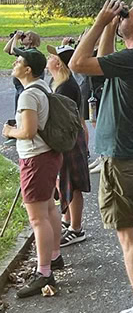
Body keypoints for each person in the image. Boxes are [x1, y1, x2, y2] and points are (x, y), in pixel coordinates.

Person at [69, 0, 133, 313]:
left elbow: (78, 63)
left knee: (130, 237)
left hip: (123, 159)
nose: (122, 18)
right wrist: (112, 27)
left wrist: (100, 21)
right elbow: (105, 58)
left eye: (128, 17)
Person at [3, 48, 64, 298]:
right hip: (49, 155)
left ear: (27, 69)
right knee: (49, 209)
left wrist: (9, 131)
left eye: (18, 61)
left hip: (35, 159)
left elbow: (28, 131)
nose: (14, 63)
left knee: (38, 218)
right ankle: (54, 257)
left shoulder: (28, 96)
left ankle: (44, 273)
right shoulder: (43, 87)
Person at [45, 45, 91, 247]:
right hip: (69, 138)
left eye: (51, 57)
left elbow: (62, 119)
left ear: (58, 63)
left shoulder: (65, 87)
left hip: (69, 140)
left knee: (72, 184)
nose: (48, 60)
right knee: (64, 182)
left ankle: (76, 228)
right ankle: (67, 220)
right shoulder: (59, 83)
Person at [3, 30, 41, 146]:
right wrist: (15, 37)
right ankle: (17, 133)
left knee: (23, 111)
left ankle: (19, 134)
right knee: (18, 112)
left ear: (30, 39)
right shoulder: (25, 51)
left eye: (25, 36)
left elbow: (13, 49)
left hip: (24, 87)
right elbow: (6, 49)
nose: (22, 38)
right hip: (19, 86)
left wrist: (16, 38)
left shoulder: (30, 53)